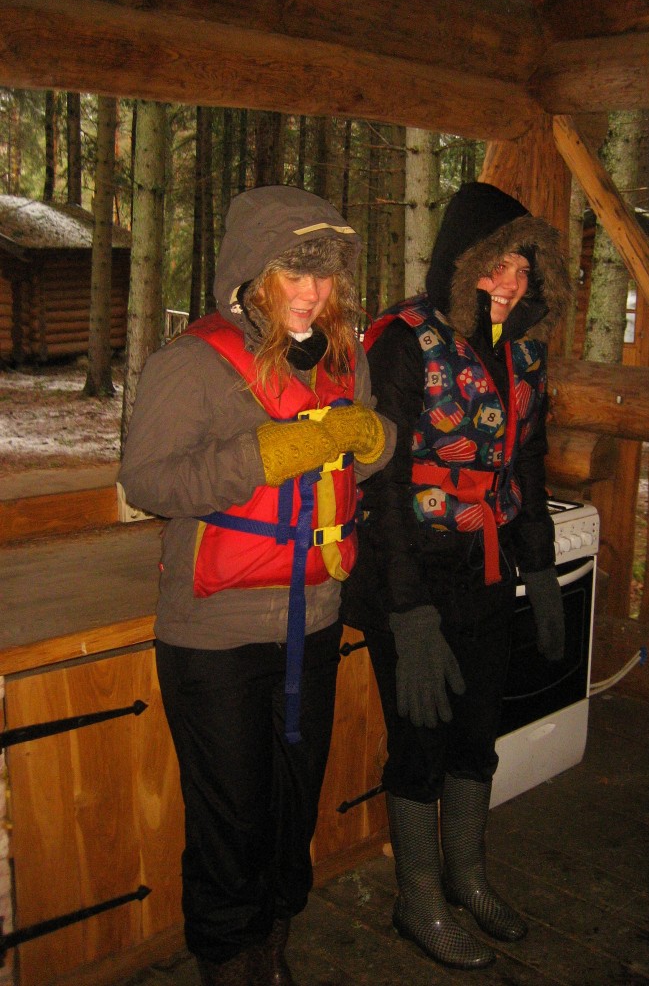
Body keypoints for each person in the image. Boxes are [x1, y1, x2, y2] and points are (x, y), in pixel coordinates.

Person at [118, 186, 394, 986]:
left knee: (292, 805)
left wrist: (375, 437)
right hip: (217, 635)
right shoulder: (191, 363)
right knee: (229, 818)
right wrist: (262, 457)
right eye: (293, 275)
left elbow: (368, 456)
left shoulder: (344, 357)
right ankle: (227, 961)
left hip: (316, 619)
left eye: (324, 276)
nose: (311, 293)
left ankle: (273, 947)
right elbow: (147, 481)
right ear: (252, 273)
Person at [341, 180, 573, 970]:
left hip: (487, 568)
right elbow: (382, 487)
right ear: (461, 262)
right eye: (496, 265)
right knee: (420, 738)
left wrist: (540, 568)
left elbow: (528, 461)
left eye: (524, 268)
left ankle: (466, 876)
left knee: (477, 730)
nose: (509, 283)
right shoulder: (401, 341)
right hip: (410, 573)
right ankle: (417, 898)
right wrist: (408, 612)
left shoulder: (524, 349)